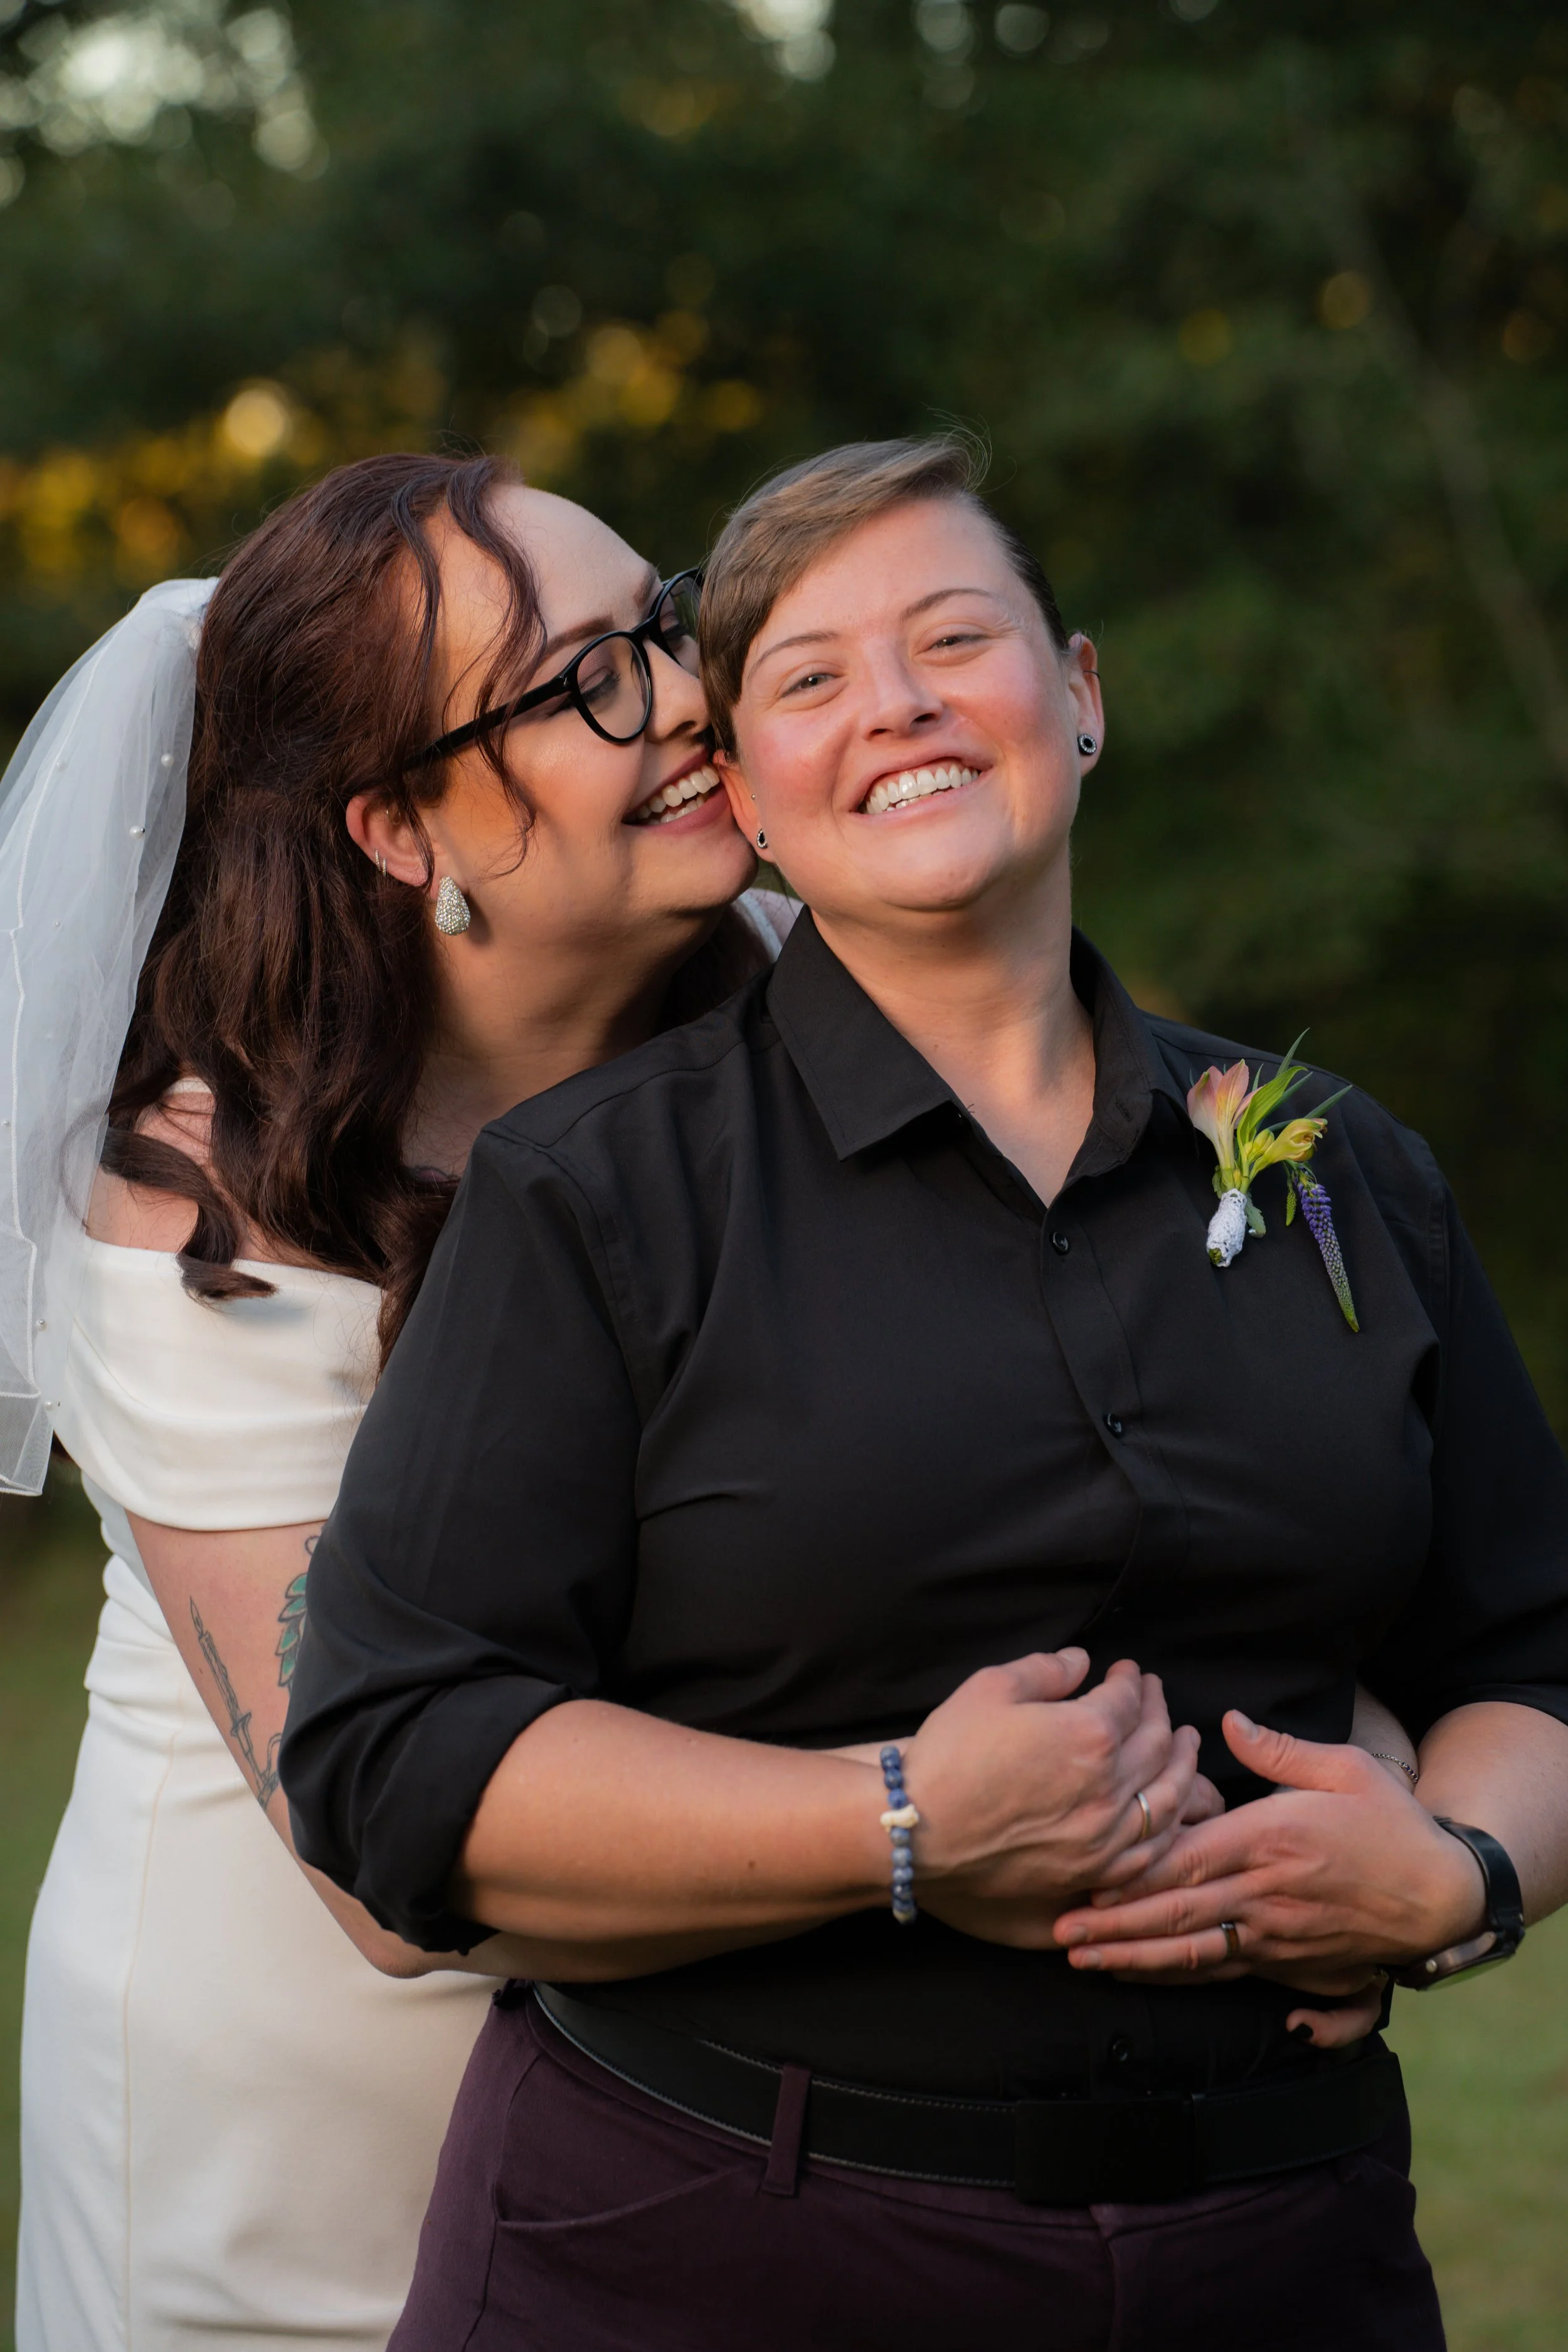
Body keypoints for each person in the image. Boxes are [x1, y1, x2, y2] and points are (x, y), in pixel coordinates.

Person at [280, 436, 1568, 2352]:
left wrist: (1454, 1874)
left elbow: (1531, 1648)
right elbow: (389, 1756)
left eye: (954, 636)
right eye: (806, 676)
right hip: (723, 2245)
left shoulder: (1341, 1170)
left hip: (1283, 2256)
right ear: (751, 796)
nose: (896, 703)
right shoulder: (595, 1194)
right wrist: (898, 1819)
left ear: (1080, 694)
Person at [11, 449, 792, 2351]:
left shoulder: (778, 1001)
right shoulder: (198, 1211)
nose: (688, 698)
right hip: (295, 2124)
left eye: (665, 624)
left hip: (691, 2088)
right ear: (395, 827)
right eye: (588, 677)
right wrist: (940, 1838)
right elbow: (385, 1858)